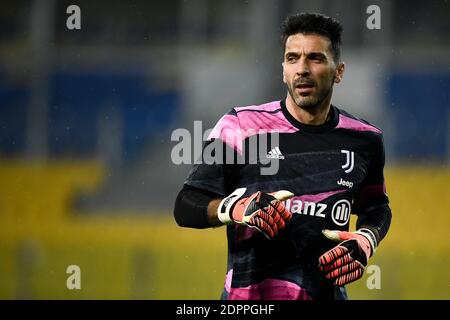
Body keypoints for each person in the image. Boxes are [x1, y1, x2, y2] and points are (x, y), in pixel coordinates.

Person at [174, 12, 392, 300]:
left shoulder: (366, 140)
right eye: (292, 58)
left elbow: (376, 208)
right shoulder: (240, 126)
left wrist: (366, 240)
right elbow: (186, 205)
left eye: (315, 58)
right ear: (283, 69)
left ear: (338, 71)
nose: (302, 69)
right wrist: (234, 209)